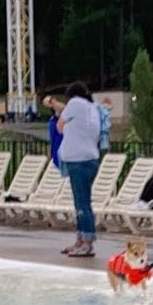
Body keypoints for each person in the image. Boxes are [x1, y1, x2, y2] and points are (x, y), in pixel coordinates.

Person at [57, 81, 101, 257]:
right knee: (82, 202)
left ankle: (87, 242)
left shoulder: (75, 104)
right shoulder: (93, 108)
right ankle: (81, 239)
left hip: (79, 161)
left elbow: (60, 126)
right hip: (90, 160)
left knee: (82, 203)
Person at [43, 95, 64, 168]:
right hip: (56, 152)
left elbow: (63, 109)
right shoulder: (52, 120)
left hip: (64, 153)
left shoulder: (63, 117)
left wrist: (52, 101)